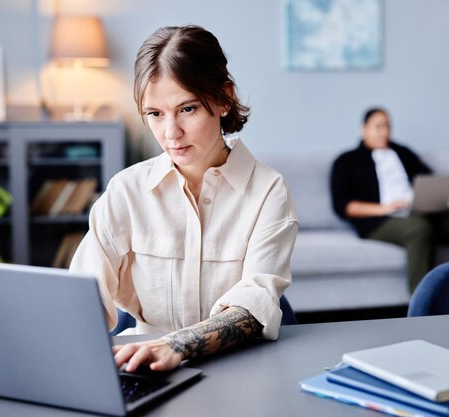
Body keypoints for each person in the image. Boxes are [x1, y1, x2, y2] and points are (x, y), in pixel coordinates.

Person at [69, 25, 298, 373]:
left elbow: (254, 305)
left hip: (239, 368)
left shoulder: (268, 190)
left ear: (223, 99)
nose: (170, 133)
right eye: (155, 114)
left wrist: (176, 345)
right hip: (143, 365)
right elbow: (84, 299)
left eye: (187, 109)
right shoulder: (126, 191)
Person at [330, 107, 449, 291]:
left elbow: (430, 181)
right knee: (418, 228)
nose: (385, 131)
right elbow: (342, 205)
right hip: (382, 220)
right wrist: (384, 208)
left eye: (388, 126)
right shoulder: (346, 160)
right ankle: (423, 304)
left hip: (420, 213)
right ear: (364, 129)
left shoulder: (403, 152)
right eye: (378, 126)